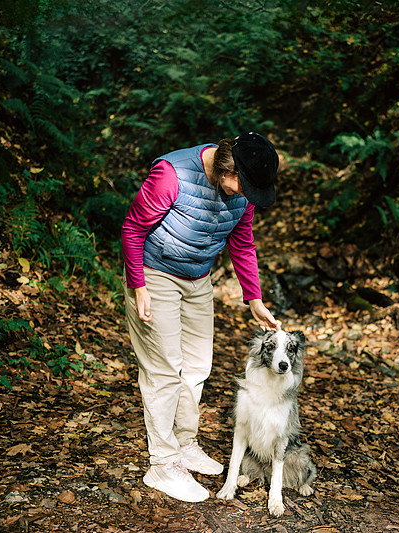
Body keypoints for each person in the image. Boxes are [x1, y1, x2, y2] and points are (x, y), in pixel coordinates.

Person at [121, 132, 281, 503]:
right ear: (229, 168)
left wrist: (253, 298)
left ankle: (183, 443)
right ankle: (162, 464)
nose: (248, 197)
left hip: (198, 277)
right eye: (246, 187)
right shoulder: (172, 174)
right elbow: (133, 228)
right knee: (163, 369)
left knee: (196, 366)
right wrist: (138, 285)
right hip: (154, 272)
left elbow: (242, 241)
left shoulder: (243, 192)